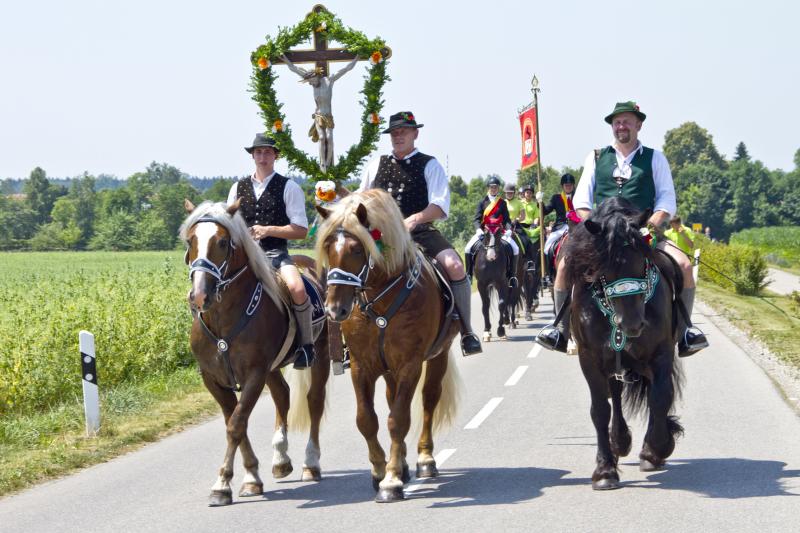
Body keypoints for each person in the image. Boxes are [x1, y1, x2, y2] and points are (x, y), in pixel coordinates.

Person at [535, 101, 708, 357]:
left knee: (683, 265)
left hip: (643, 234)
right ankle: (560, 330)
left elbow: (666, 200)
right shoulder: (596, 157)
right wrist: (599, 226)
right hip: (604, 236)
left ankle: (686, 332)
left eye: (627, 121)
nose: (621, 126)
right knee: (564, 266)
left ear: (638, 125)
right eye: (617, 122)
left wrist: (649, 226)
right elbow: (581, 202)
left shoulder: (655, 158)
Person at [355, 111, 482, 356]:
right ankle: (351, 336)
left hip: (420, 233)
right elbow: (360, 198)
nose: (398, 136)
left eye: (403, 131)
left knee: (455, 265)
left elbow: (439, 206)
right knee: (349, 267)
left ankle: (466, 331)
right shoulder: (376, 164)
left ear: (415, 133)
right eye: (394, 132)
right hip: (381, 237)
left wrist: (415, 219)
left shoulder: (430, 164)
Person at [227, 133, 316, 368]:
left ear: (275, 156)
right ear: (252, 156)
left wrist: (268, 230)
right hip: (243, 259)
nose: (262, 156)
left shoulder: (289, 187)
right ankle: (215, 346)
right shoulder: (237, 187)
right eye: (258, 152)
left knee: (297, 288)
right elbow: (229, 224)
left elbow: (301, 231)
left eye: (267, 152)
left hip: (275, 255)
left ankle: (306, 346)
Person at [280, 55, 359, 171]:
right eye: (309, 82)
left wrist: (357, 57)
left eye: (312, 81)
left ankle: (328, 163)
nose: (311, 84)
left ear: (317, 76)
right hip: (318, 116)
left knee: (329, 137)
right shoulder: (311, 80)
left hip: (328, 116)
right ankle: (322, 164)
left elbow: (346, 69)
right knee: (322, 138)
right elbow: (294, 69)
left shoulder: (329, 80)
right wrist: (286, 60)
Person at [464, 177, 520, 287]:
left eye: (496, 187)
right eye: (492, 187)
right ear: (488, 188)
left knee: (515, 248)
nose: (494, 189)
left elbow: (506, 219)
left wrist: (509, 229)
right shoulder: (482, 202)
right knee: (468, 248)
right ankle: (469, 275)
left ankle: (512, 276)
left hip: (499, 232)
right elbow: (476, 219)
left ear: (498, 188)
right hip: (485, 232)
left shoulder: (502, 203)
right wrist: (478, 229)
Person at [541, 173, 579, 280]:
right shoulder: (556, 198)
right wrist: (540, 202)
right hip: (560, 227)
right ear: (562, 186)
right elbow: (545, 211)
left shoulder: (578, 197)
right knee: (547, 247)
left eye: (570, 185)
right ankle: (549, 274)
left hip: (576, 226)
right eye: (566, 185)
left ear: (573, 186)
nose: (568, 187)